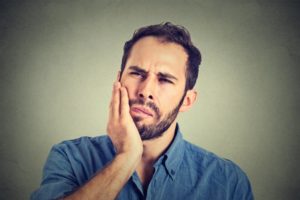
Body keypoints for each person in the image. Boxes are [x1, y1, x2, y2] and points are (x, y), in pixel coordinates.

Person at [31, 22, 253, 200]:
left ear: (187, 101)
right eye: (137, 73)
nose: (146, 91)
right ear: (118, 81)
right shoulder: (70, 157)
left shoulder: (228, 181)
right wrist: (127, 157)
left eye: (164, 79)